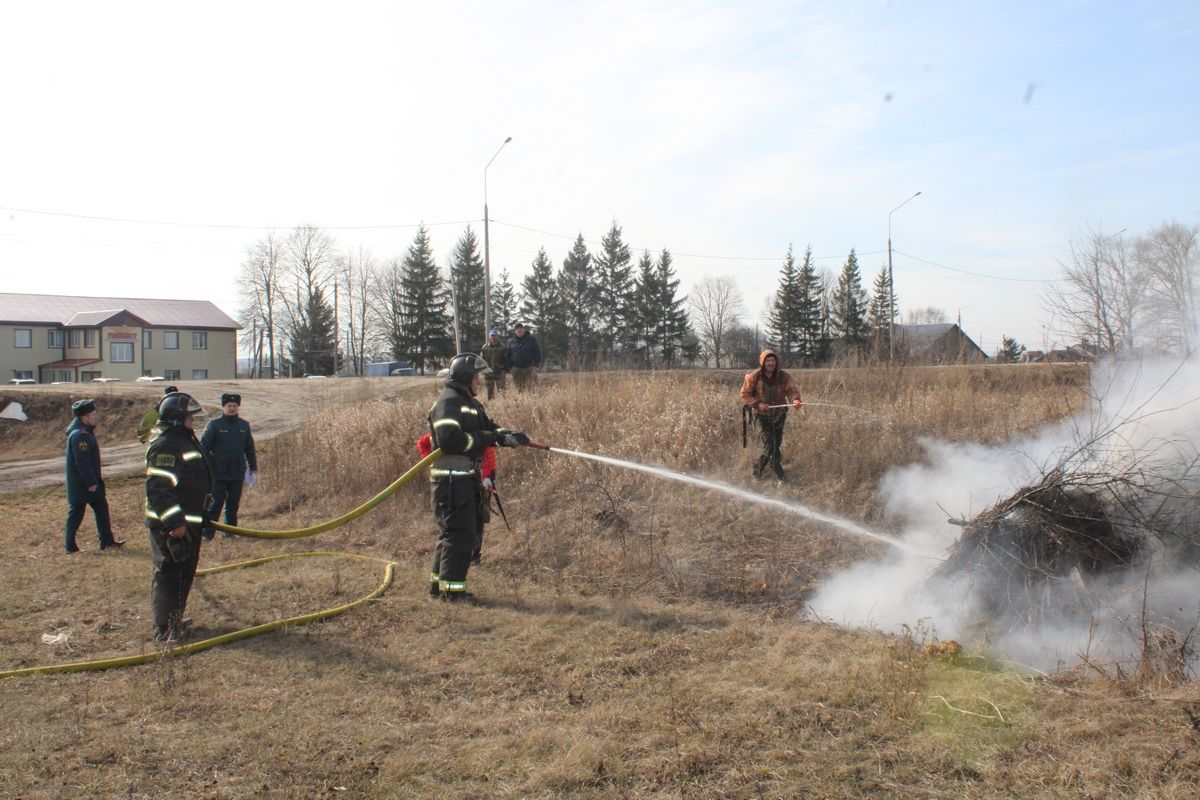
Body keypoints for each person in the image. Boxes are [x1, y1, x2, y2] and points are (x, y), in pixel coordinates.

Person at [427, 353, 530, 601]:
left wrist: (509, 436)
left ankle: (438, 587)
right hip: (451, 480)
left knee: (456, 534)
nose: (480, 382)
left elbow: (489, 428)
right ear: (464, 377)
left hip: (464, 478)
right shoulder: (448, 402)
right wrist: (488, 438)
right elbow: (449, 440)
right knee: (459, 535)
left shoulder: (470, 404)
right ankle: (452, 593)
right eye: (476, 377)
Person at [144, 392, 215, 642]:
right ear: (176, 419)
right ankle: (163, 629)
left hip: (190, 522)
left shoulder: (184, 440)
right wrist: (174, 522)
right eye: (188, 418)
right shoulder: (166, 445)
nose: (192, 422)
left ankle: (174, 620)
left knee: (184, 572)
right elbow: (159, 488)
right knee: (169, 573)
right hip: (172, 526)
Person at [418, 433, 497, 563]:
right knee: (453, 523)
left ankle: (474, 555)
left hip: (477, 483)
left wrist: (488, 476)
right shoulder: (442, 432)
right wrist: (432, 463)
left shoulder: (476, 430)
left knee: (478, 518)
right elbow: (422, 443)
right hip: (449, 486)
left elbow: (488, 452)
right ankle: (456, 554)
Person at [64, 399, 123, 552]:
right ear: (85, 417)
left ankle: (107, 541)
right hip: (82, 484)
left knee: (102, 509)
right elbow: (82, 462)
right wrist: (91, 482)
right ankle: (69, 546)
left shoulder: (85, 432)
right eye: (93, 414)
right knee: (76, 514)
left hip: (90, 483)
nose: (95, 417)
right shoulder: (80, 435)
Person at [199, 392, 257, 540]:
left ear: (238, 407)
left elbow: (249, 448)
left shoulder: (244, 426)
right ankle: (207, 534)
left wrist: (253, 466)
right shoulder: (214, 425)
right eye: (229, 406)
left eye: (234, 406)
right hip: (218, 473)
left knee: (233, 505)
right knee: (215, 504)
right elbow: (203, 448)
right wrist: (206, 467)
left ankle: (230, 533)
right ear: (223, 407)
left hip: (237, 472)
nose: (232, 408)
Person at [739, 349, 803, 481]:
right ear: (763, 362)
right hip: (761, 416)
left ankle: (757, 469)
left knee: (775, 444)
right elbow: (745, 394)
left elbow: (792, 391)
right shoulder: (754, 376)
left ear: (776, 362)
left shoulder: (784, 376)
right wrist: (758, 404)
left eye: (773, 360)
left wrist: (796, 400)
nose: (771, 363)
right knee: (771, 443)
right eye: (768, 360)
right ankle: (781, 475)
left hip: (780, 415)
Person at [507, 322, 542, 392]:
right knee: (519, 389)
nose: (519, 331)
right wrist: (510, 367)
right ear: (515, 331)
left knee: (531, 388)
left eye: (521, 329)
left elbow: (537, 352)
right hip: (516, 369)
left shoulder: (531, 340)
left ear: (524, 330)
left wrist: (536, 363)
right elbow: (508, 355)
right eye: (517, 329)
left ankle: (531, 401)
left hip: (529, 368)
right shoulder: (511, 342)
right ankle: (522, 401)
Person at [479, 328, 510, 400]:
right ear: (489, 337)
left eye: (494, 335)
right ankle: (491, 406)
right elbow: (482, 359)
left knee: (502, 391)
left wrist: (505, 368)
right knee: (489, 392)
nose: (493, 337)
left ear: (497, 336)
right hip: (488, 372)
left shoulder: (503, 347)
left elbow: (506, 359)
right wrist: (483, 370)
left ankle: (503, 405)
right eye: (492, 335)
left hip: (499, 372)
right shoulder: (485, 347)